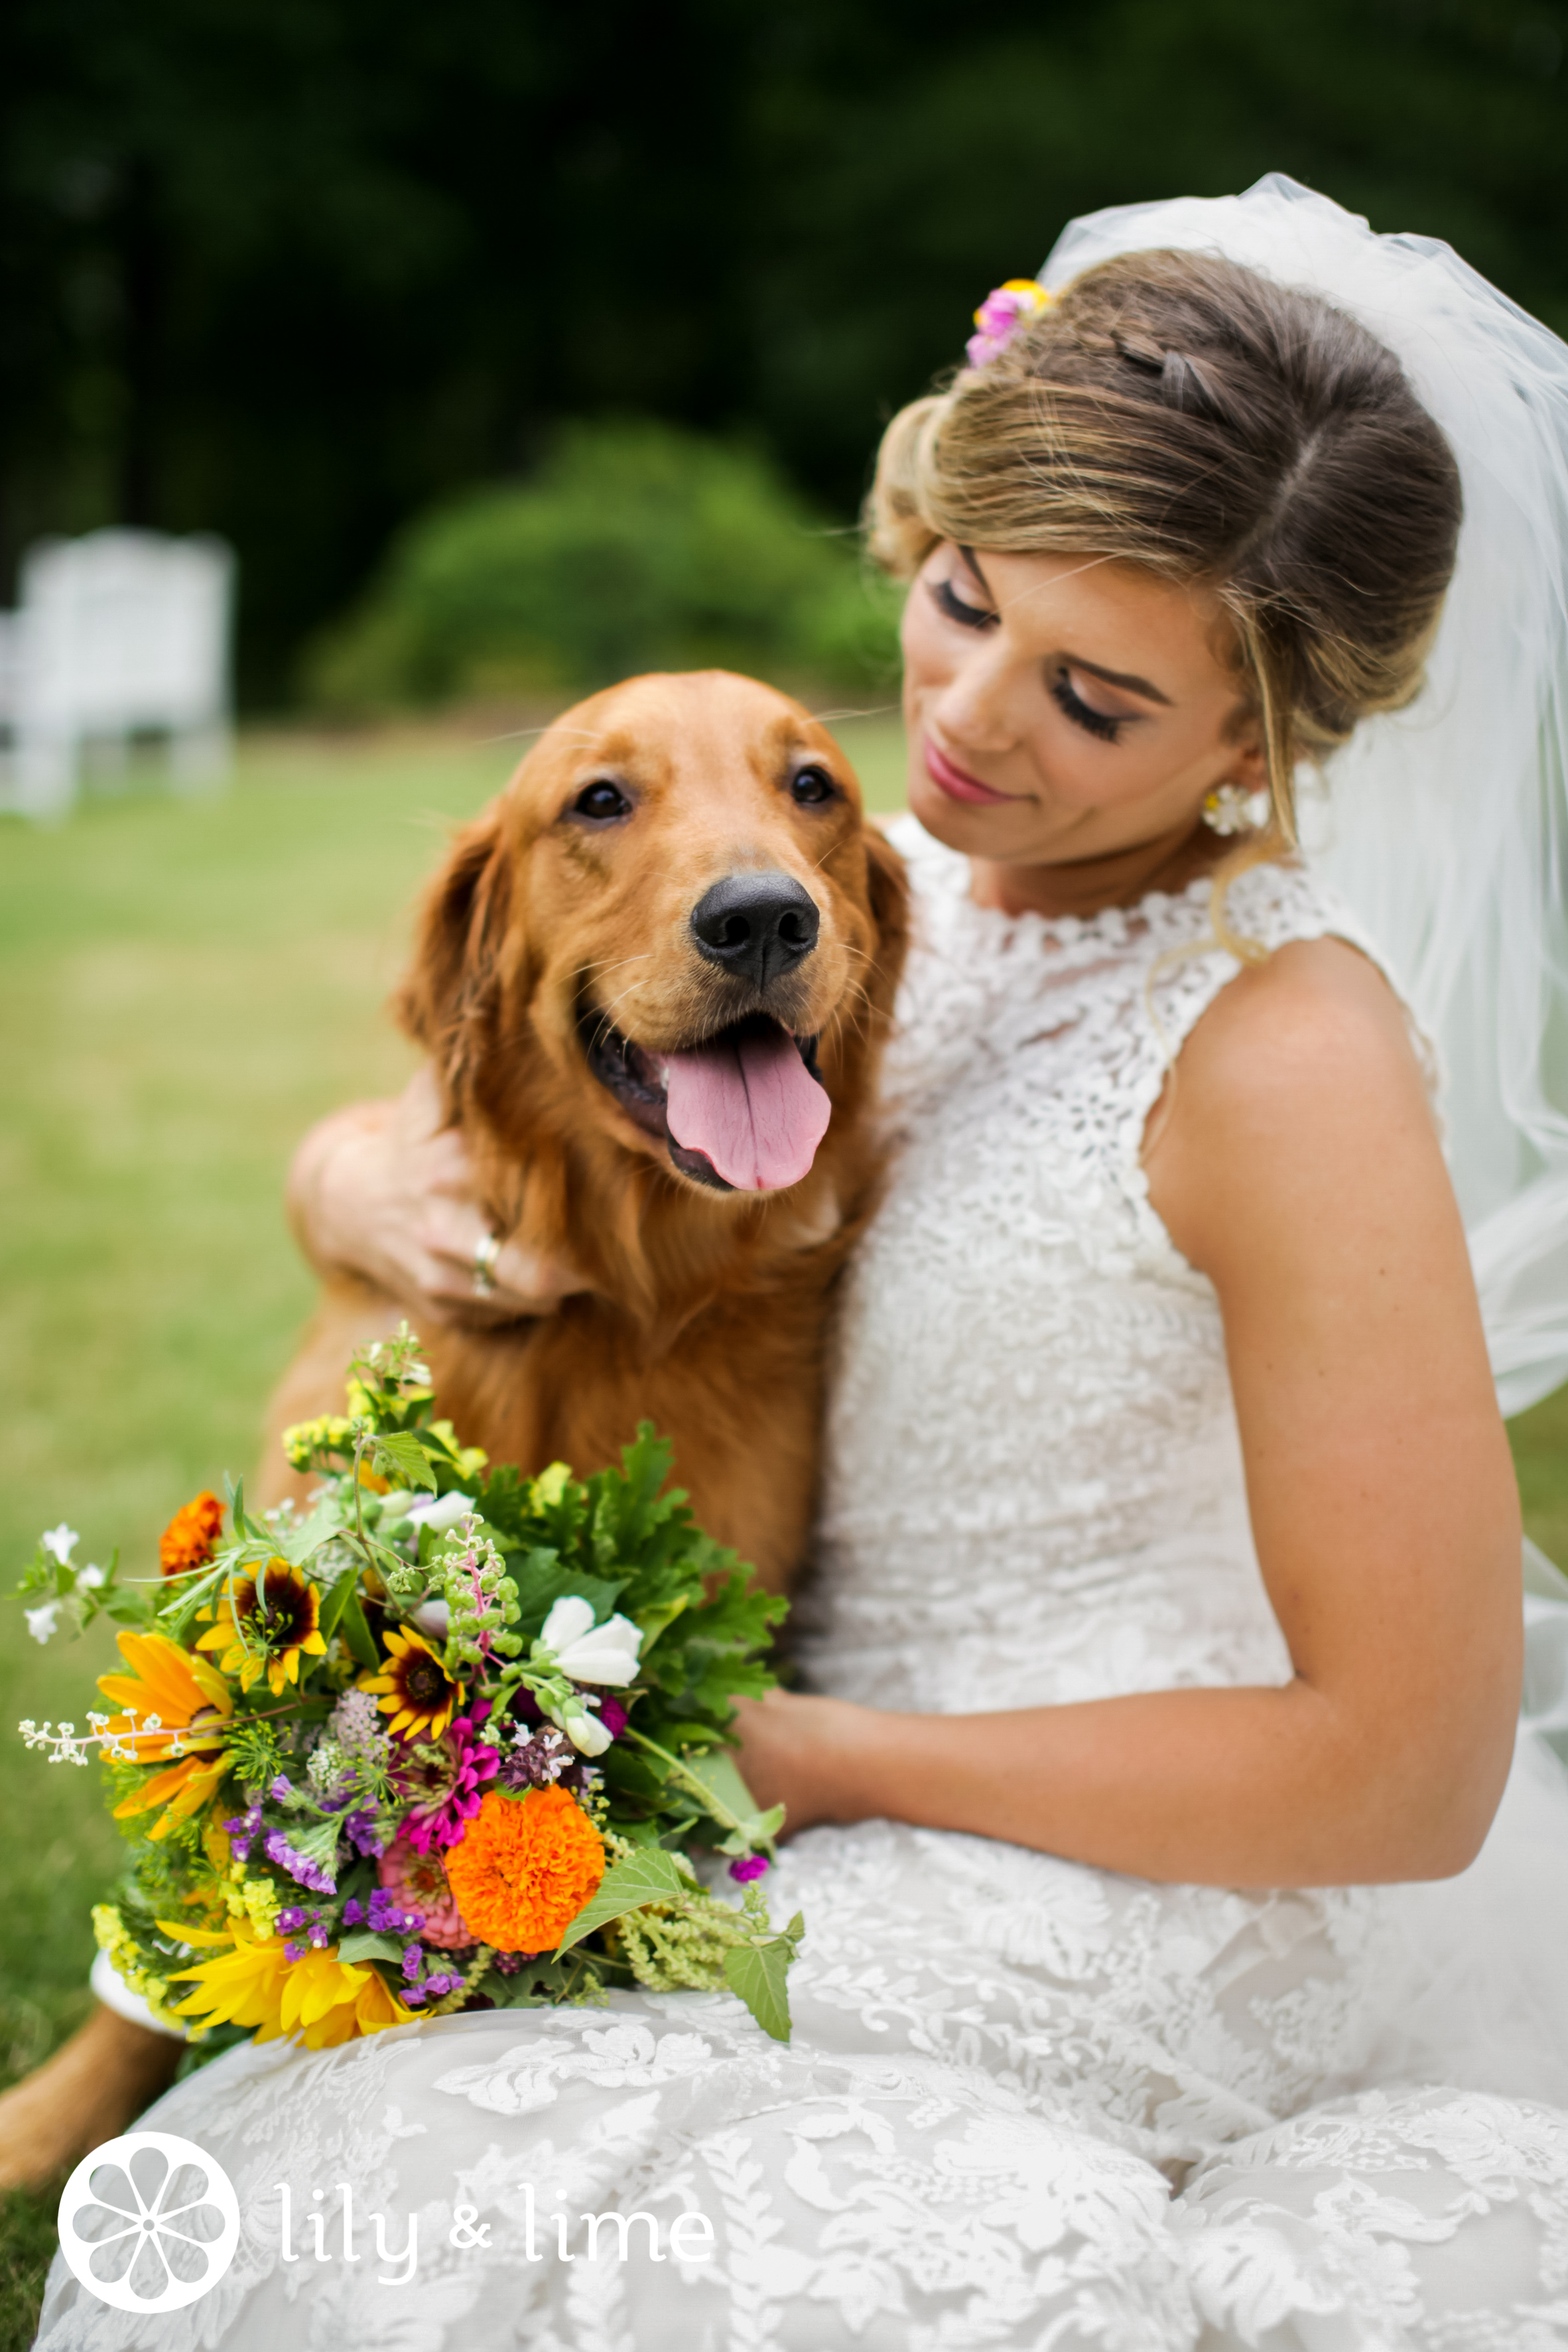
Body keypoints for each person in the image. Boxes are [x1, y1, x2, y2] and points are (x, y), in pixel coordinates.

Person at [35, 178, 1568, 2348]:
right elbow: (533, 1057)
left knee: (514, 2171)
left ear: (1264, 737)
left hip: (1143, 1862)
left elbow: (1410, 1776)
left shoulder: (1289, 1051)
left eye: (1097, 699)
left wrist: (823, 1758)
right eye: (957, 602)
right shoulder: (874, 876)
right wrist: (337, 1186)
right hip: (795, 1754)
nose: (968, 723)